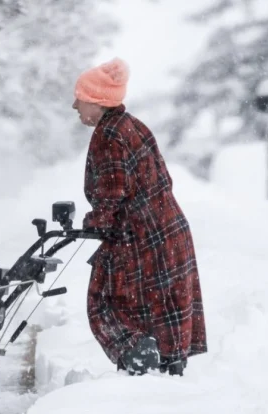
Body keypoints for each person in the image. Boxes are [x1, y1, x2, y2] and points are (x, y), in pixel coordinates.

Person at [71, 57, 207, 376]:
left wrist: (96, 223)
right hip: (168, 230)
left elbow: (112, 191)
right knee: (161, 302)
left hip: (141, 235)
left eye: (79, 98)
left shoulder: (108, 135)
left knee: (103, 300)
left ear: (96, 100)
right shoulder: (132, 124)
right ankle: (168, 365)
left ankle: (138, 358)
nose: (74, 105)